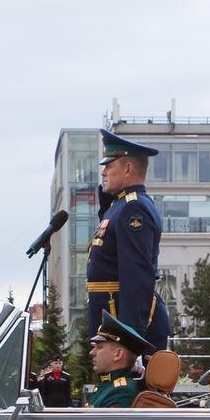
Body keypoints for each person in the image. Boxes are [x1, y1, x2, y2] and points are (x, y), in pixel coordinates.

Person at [84, 131, 169, 361]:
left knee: (127, 395)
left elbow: (136, 276)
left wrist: (133, 341)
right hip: (111, 323)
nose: (103, 172)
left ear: (128, 169)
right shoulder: (121, 206)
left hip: (121, 329)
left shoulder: (134, 209)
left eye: (109, 165)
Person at [84, 315, 151, 407]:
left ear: (118, 354)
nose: (92, 352)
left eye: (99, 347)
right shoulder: (107, 386)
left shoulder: (120, 391)